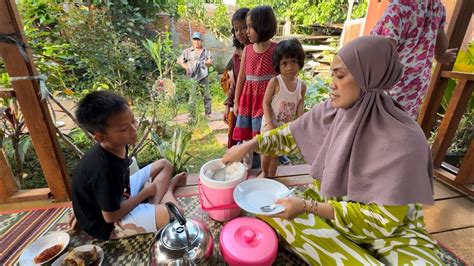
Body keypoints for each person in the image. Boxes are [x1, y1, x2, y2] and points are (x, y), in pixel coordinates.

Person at [223, 36, 443, 265]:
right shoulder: (331, 111)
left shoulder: (406, 141)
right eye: (332, 75)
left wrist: (309, 207)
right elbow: (289, 134)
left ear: (367, 78)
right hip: (328, 211)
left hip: (392, 234)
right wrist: (248, 146)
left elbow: (382, 221)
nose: (332, 85)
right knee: (270, 211)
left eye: (340, 76)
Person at [70, 91, 186, 240]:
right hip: (109, 225)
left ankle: (153, 205)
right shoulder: (104, 169)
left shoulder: (118, 144)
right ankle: (167, 191)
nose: (134, 130)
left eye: (133, 120)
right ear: (100, 137)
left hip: (121, 194)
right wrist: (143, 194)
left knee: (165, 164)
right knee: (178, 213)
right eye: (124, 129)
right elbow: (110, 216)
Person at [371, 0, 458, 119]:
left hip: (390, 84)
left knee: (375, 121)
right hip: (416, 83)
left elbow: (382, 50)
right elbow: (441, 47)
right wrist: (443, 55)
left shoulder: (399, 6)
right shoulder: (436, 6)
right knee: (399, 123)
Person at [232, 5, 278, 169]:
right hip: (248, 99)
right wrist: (236, 102)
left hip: (267, 100)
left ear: (262, 25)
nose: (247, 31)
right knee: (247, 135)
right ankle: (246, 167)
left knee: (264, 134)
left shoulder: (276, 49)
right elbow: (241, 78)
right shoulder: (247, 50)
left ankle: (263, 168)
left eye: (250, 26)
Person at [261, 39, 306, 178]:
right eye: (284, 63)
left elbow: (300, 108)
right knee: (266, 151)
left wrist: (298, 127)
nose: (289, 67)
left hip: (284, 127)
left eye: (293, 61)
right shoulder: (275, 82)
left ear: (299, 62)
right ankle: (264, 173)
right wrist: (270, 124)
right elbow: (266, 103)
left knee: (276, 155)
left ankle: (272, 177)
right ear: (278, 66)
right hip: (269, 124)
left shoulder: (302, 86)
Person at [223, 7, 251, 149]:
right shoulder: (237, 54)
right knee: (238, 144)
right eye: (236, 29)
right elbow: (233, 83)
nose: (239, 33)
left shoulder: (261, 51)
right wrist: (228, 105)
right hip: (239, 105)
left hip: (256, 105)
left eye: (244, 27)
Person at [178, 32, 213, 117]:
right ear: (192, 40)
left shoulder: (206, 52)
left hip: (203, 76)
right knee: (192, 96)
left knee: (206, 95)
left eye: (198, 40)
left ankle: (207, 114)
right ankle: (192, 115)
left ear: (201, 40)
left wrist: (205, 62)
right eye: (195, 39)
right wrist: (187, 67)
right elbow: (180, 61)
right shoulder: (187, 51)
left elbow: (210, 62)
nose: (197, 42)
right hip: (192, 77)